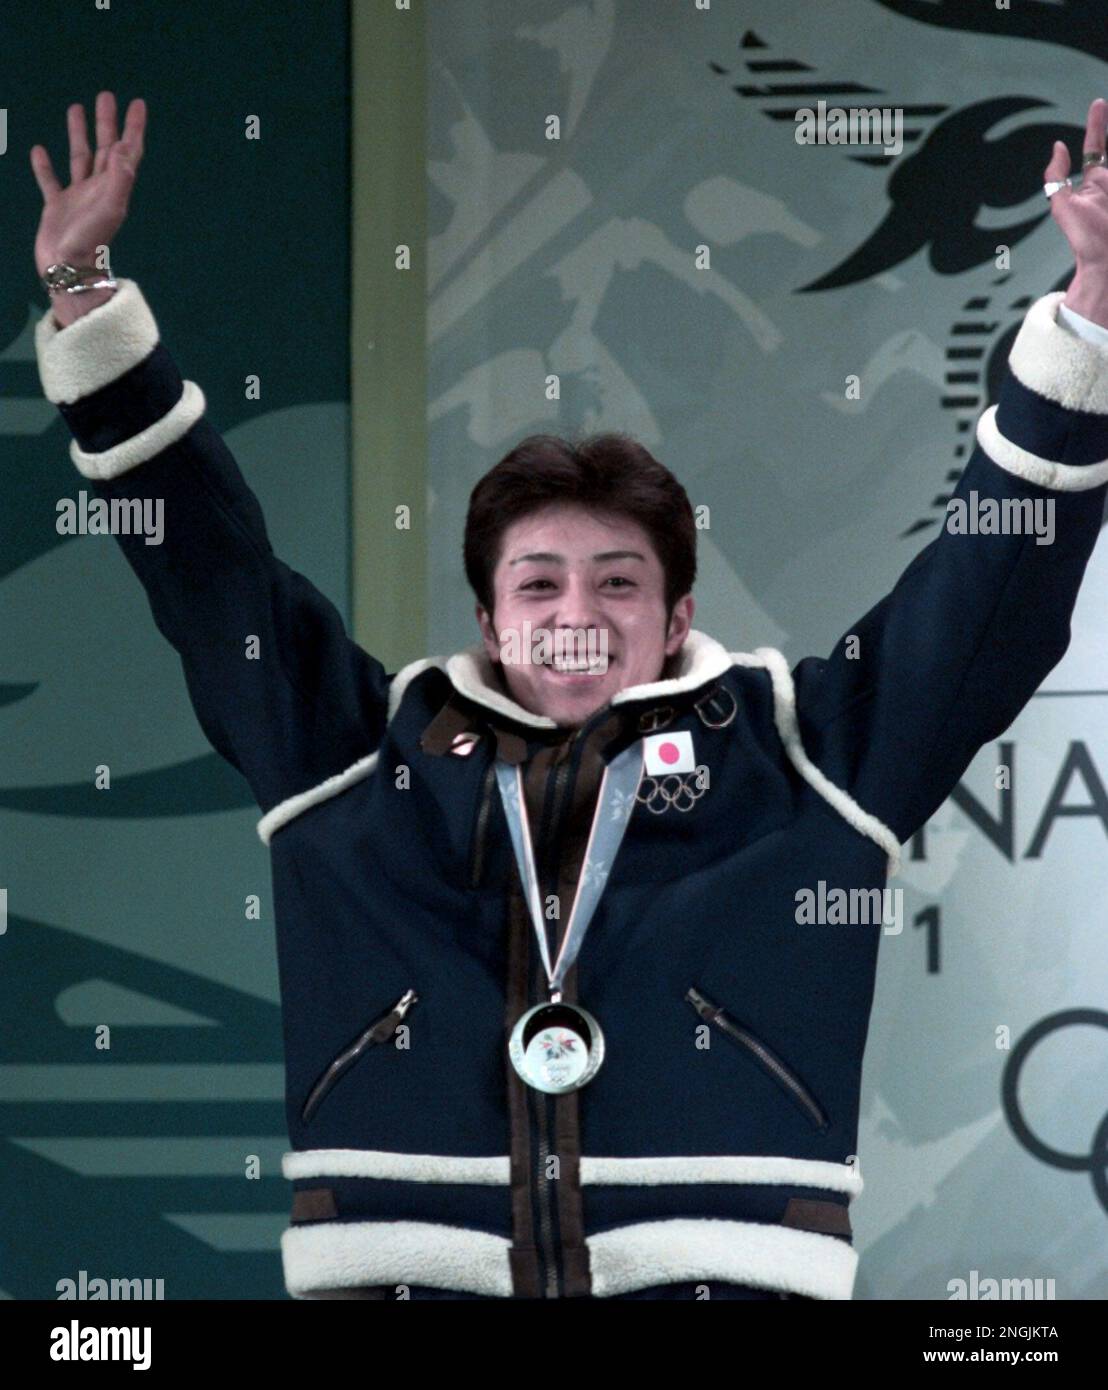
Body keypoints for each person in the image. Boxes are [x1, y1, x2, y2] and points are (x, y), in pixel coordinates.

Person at [29, 92, 1108, 1301]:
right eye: (537, 582)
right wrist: (86, 293)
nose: (576, 612)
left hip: (721, 1278)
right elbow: (207, 568)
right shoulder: (348, 753)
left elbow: (990, 592)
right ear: (489, 617)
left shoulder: (809, 759)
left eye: (618, 580)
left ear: (678, 614)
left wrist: (1087, 319)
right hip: (402, 1277)